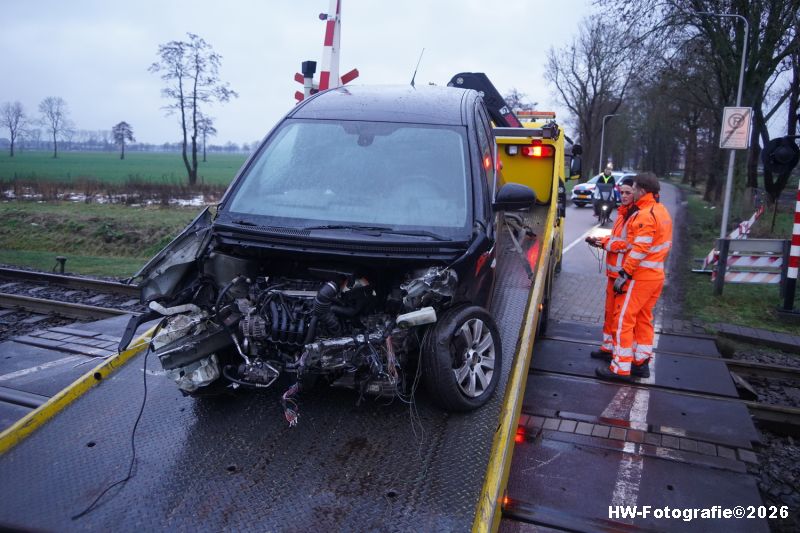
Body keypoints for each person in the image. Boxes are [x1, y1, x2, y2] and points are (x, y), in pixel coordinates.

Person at [596, 172, 673, 381]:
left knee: (623, 320)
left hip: (640, 277)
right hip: (655, 275)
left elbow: (639, 248)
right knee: (643, 319)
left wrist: (625, 273)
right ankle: (641, 362)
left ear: (642, 191)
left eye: (635, 188)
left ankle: (620, 368)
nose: (632, 192)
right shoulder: (662, 211)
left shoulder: (645, 214)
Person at [585, 177, 636, 360]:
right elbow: (616, 239)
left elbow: (629, 244)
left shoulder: (634, 216)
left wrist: (606, 245)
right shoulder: (622, 214)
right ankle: (608, 347)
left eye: (628, 192)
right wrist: (600, 241)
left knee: (619, 315)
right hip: (613, 274)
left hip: (624, 275)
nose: (623, 196)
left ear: (636, 193)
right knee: (609, 312)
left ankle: (618, 352)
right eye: (621, 192)